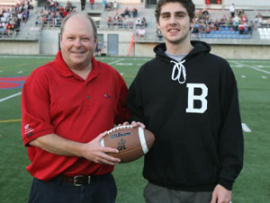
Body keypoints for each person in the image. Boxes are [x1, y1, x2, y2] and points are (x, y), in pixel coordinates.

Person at [127, 0, 244, 203]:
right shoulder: (147, 72)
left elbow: (231, 130)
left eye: (179, 15)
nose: (172, 21)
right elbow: (133, 116)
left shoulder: (218, 69)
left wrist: (226, 182)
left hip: (207, 188)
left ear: (191, 20)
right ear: (158, 23)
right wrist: (134, 126)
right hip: (159, 187)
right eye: (166, 16)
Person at [21, 12, 131, 203]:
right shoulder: (41, 78)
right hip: (53, 189)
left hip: (100, 187)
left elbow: (127, 117)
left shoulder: (111, 77)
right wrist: (84, 150)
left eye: (85, 38)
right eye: (71, 38)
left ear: (96, 41)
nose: (77, 44)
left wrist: (134, 126)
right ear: (61, 40)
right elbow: (37, 136)